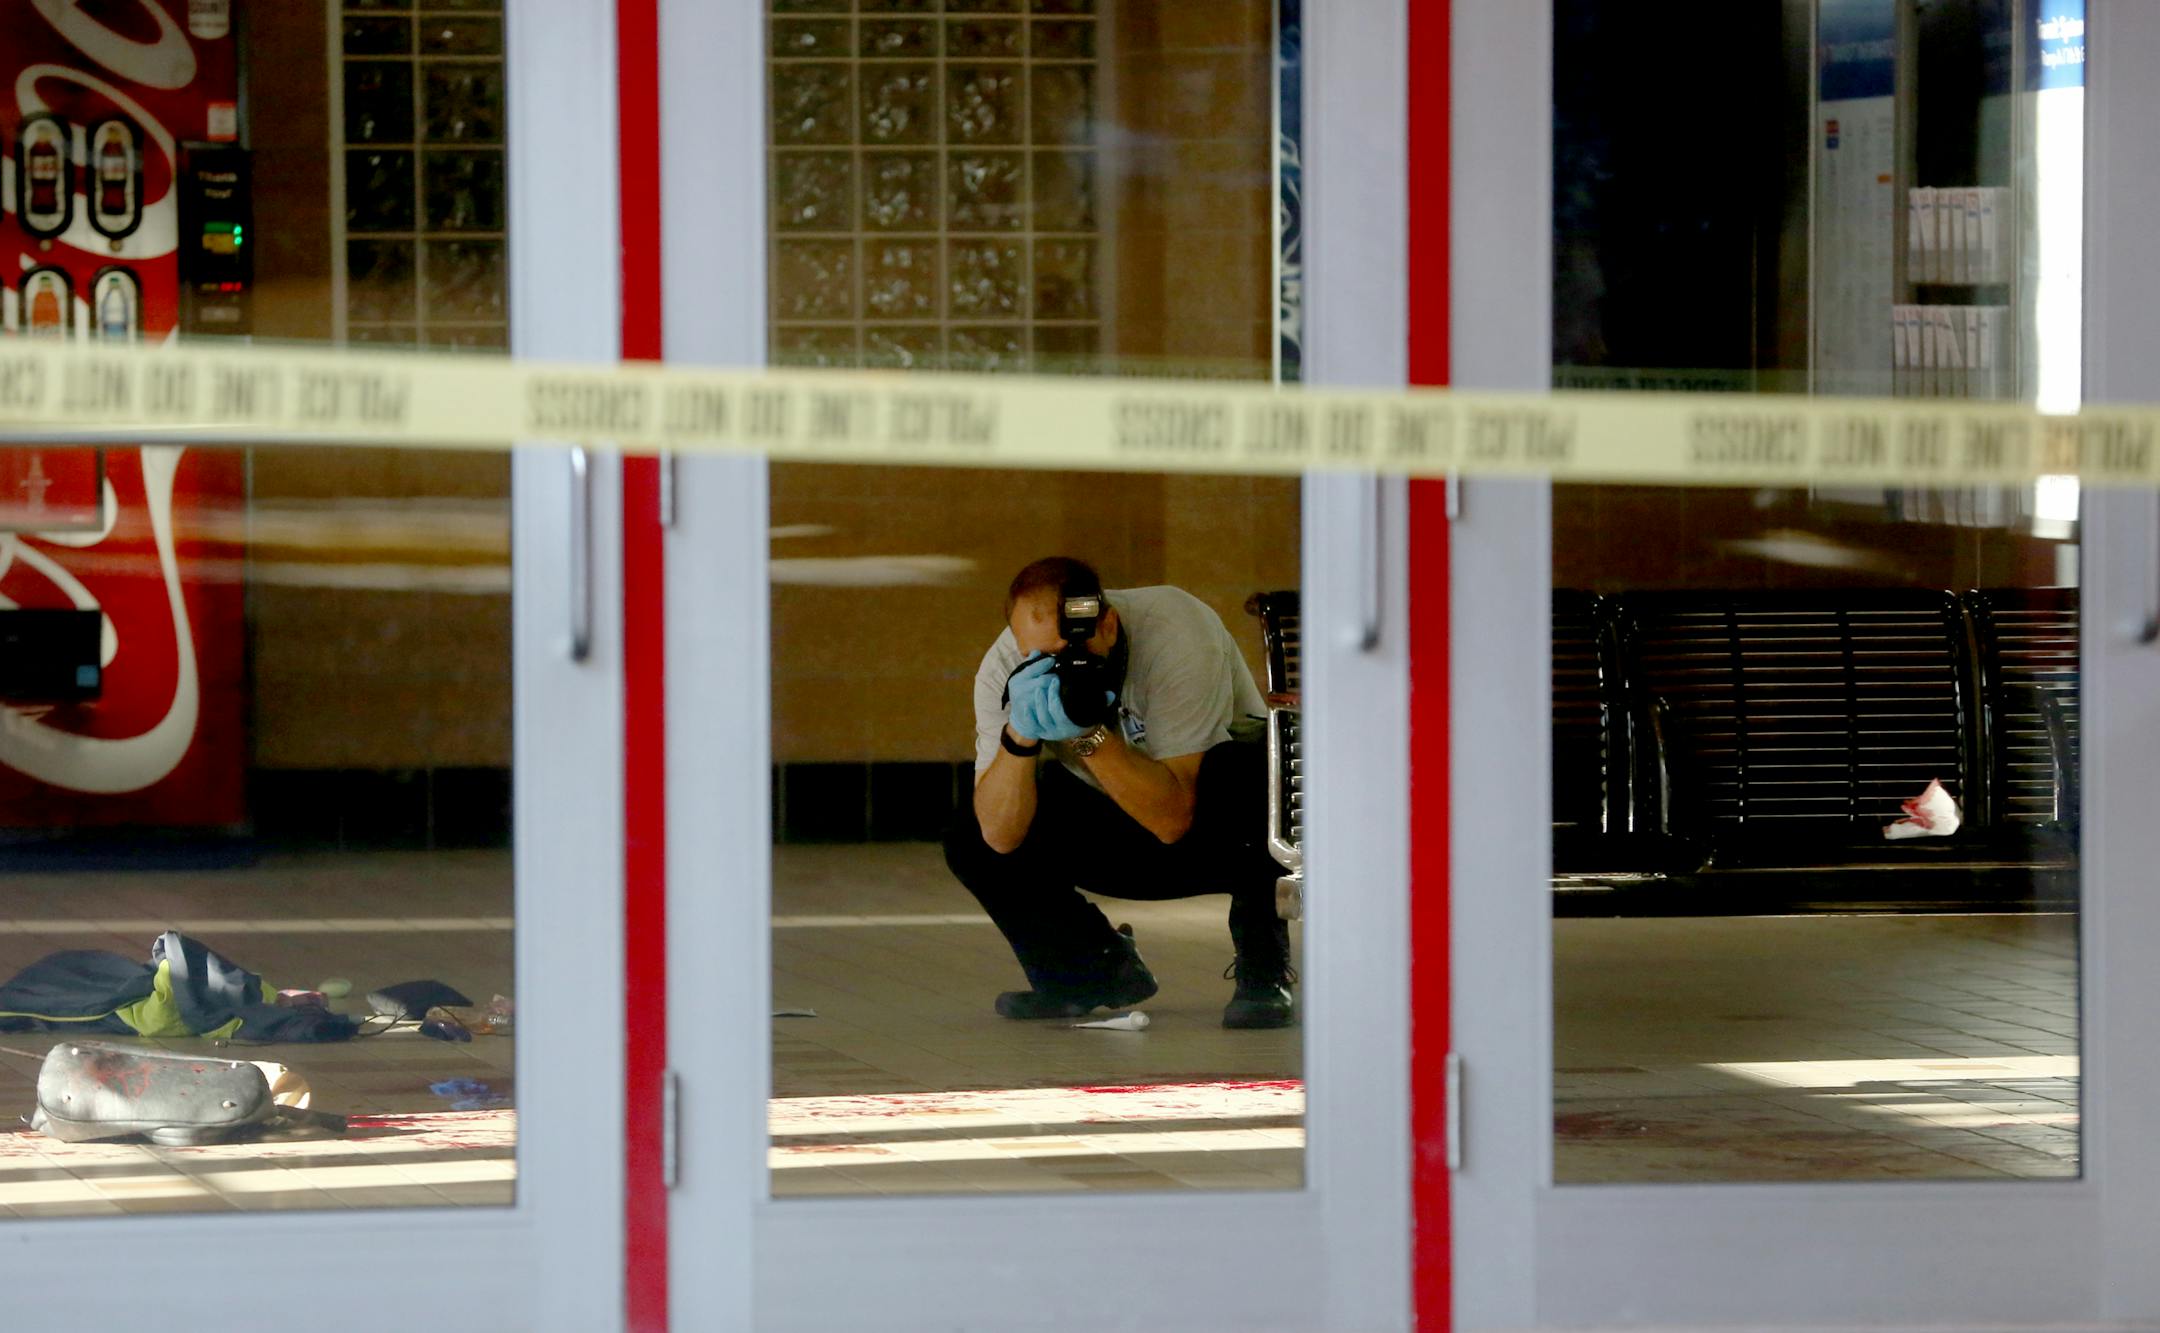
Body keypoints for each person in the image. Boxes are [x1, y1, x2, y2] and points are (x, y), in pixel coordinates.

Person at [943, 556, 1296, 1029]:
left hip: (1218, 832)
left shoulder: (1174, 630)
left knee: (1242, 769)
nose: (1062, 668)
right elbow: (1001, 839)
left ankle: (1263, 971)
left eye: (1075, 651)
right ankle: (1092, 972)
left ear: (1108, 623)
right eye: (1042, 657)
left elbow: (1174, 821)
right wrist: (1019, 736)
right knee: (973, 831)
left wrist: (1085, 733)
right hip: (1117, 828)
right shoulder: (1003, 670)